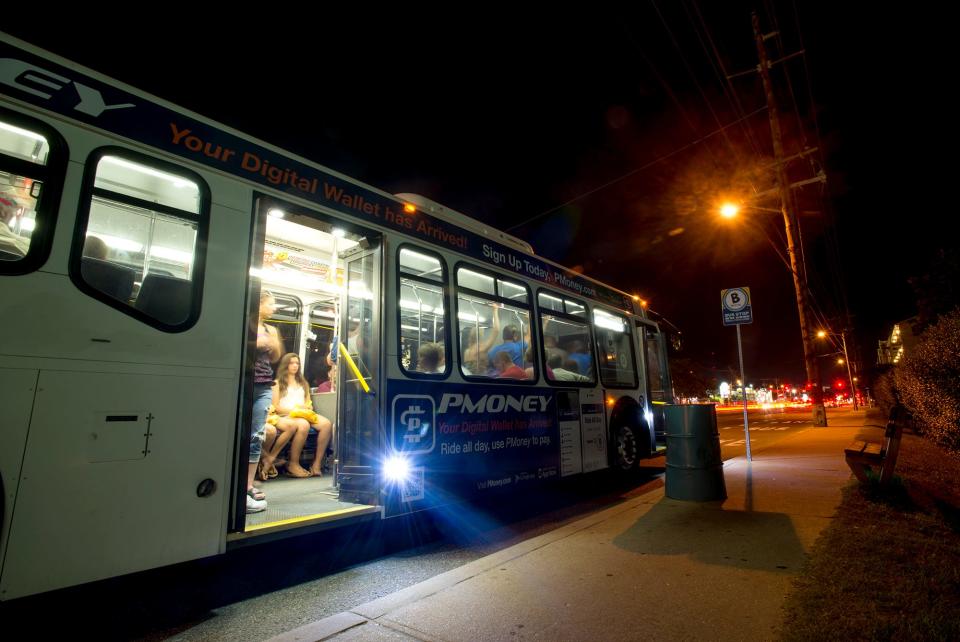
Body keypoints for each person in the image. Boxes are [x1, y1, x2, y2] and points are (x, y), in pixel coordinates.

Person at [261, 352, 333, 478]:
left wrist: (305, 409)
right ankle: (293, 463)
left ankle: (316, 464)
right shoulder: (277, 383)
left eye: (297, 363)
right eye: (291, 363)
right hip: (286, 414)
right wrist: (295, 410)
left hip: (304, 413)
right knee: (303, 425)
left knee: (326, 424)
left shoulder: (303, 383)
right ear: (285, 365)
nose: (295, 366)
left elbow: (308, 403)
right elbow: (276, 406)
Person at [247, 290, 282, 513]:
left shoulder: (272, 329)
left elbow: (276, 355)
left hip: (264, 385)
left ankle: (248, 485)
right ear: (259, 303)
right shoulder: (245, 323)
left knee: (256, 435)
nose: (274, 308)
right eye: (271, 304)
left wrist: (268, 342)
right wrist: (259, 342)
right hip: (245, 383)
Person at [461, 305, 500, 375]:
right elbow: (496, 330)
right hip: (479, 378)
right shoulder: (482, 349)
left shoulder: (467, 351)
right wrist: (495, 310)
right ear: (481, 336)